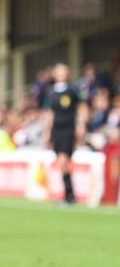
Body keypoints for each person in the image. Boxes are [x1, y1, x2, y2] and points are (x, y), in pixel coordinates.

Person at [43, 63, 87, 204]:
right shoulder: (51, 91)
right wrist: (47, 132)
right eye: (60, 71)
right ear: (55, 74)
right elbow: (50, 113)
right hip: (56, 130)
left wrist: (81, 125)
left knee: (63, 160)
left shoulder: (73, 89)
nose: (63, 73)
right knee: (61, 161)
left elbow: (82, 107)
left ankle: (69, 195)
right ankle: (69, 196)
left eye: (65, 71)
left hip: (68, 129)